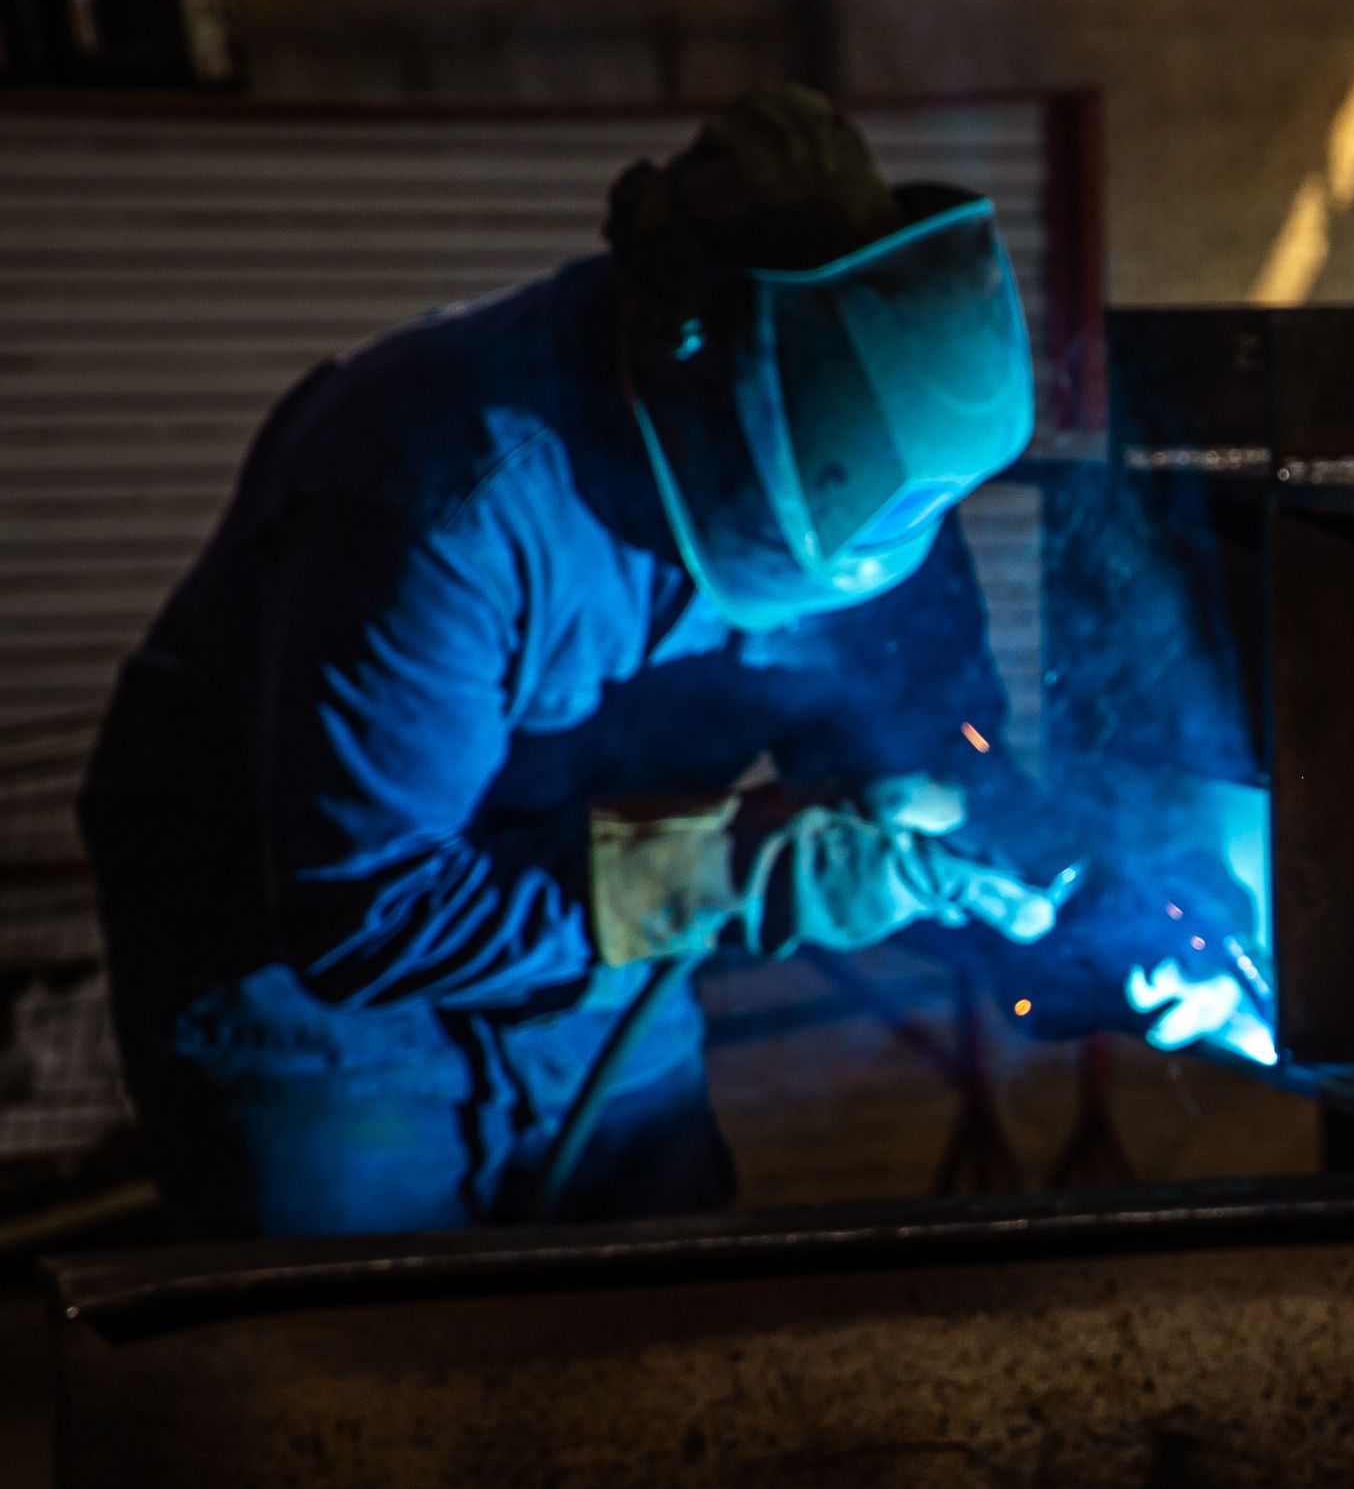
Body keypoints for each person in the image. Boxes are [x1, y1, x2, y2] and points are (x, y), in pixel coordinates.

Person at [79, 86, 1075, 1239]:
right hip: (306, 1013)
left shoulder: (862, 470)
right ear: (690, 362)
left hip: (600, 967)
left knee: (646, 1326)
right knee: (362, 1345)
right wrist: (743, 868)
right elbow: (362, 913)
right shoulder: (436, 490)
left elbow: (923, 765)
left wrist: (1071, 898)